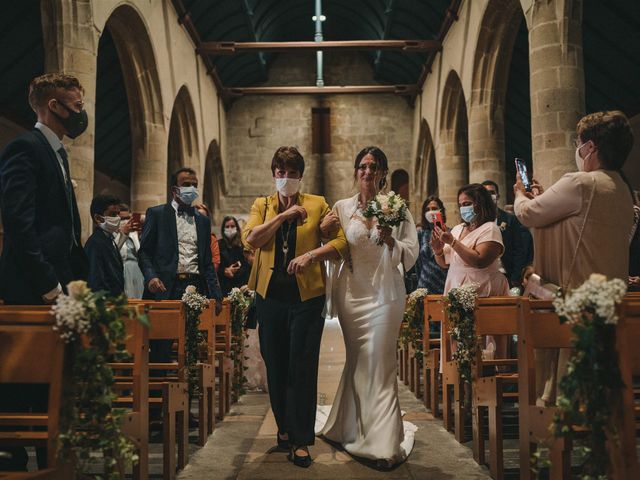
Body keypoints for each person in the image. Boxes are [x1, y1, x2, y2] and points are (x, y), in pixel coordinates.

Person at [0, 73, 90, 471]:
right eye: (76, 105)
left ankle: (53, 462)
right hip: (34, 287)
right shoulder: (25, 148)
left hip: (62, 282)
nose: (81, 112)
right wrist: (49, 287)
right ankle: (20, 462)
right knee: (27, 381)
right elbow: (19, 224)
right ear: (53, 106)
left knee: (55, 381)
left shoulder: (58, 152)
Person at [514, 110, 635, 404]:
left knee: (534, 289)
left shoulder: (581, 182)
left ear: (590, 146)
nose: (577, 149)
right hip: (610, 302)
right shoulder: (623, 189)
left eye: (578, 142)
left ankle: (548, 405)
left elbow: (528, 214)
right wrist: (546, 199)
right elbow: (581, 227)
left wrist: (520, 194)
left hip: (575, 304)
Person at [242, 146, 348, 468]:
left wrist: (312, 254)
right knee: (275, 365)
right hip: (269, 297)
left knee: (301, 366)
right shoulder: (263, 205)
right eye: (280, 172)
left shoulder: (317, 204)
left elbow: (341, 243)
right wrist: (284, 215)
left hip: (306, 298)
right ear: (273, 173)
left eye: (291, 173)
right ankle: (284, 428)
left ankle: (301, 440)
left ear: (300, 176)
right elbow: (252, 239)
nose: (285, 178)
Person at [317, 146, 419, 469]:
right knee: (360, 361)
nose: (367, 171)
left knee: (379, 360)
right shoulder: (342, 207)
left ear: (383, 173)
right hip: (352, 294)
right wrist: (322, 235)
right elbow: (334, 246)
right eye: (362, 166)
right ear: (355, 171)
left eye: (374, 166)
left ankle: (383, 442)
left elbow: (411, 251)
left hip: (386, 296)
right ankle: (350, 426)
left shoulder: (397, 208)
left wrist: (391, 241)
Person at [138, 167, 223, 364]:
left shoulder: (202, 221)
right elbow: (144, 252)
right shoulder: (157, 214)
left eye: (194, 185)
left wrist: (216, 295)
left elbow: (207, 262)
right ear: (174, 190)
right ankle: (159, 390)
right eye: (186, 184)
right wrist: (151, 276)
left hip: (194, 287)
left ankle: (190, 391)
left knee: (194, 346)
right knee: (161, 347)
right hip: (166, 287)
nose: (192, 188)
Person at [431, 183, 509, 297]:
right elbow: (444, 263)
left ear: (481, 204)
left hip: (482, 290)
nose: (463, 208)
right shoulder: (458, 229)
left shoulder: (490, 228)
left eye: (467, 204)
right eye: (461, 205)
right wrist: (437, 250)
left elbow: (480, 261)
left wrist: (453, 242)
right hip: (455, 288)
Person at [482, 180, 533, 289]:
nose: (489, 196)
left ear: (498, 196)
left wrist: (515, 278)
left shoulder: (510, 220)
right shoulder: (478, 222)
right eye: (485, 194)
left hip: (507, 274)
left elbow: (519, 249)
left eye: (491, 193)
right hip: (484, 277)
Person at [85, 195, 125, 296]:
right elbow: (95, 280)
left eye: (117, 214)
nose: (117, 218)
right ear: (98, 218)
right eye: (112, 214)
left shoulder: (109, 239)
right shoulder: (95, 243)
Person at [416, 196, 448, 294]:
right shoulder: (421, 234)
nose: (431, 212)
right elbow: (417, 262)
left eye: (434, 209)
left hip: (445, 282)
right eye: (427, 209)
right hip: (425, 284)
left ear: (441, 211)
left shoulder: (450, 233)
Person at [115, 204, 144, 298]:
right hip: (122, 269)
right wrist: (123, 233)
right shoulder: (113, 235)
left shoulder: (135, 233)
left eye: (127, 218)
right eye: (122, 219)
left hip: (137, 270)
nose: (125, 221)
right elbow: (113, 250)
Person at [217, 215, 250, 296]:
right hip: (224, 287)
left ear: (237, 228)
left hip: (241, 286)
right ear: (223, 229)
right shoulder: (218, 245)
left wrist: (236, 271)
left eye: (232, 226)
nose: (230, 229)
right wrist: (225, 271)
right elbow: (216, 266)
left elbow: (248, 265)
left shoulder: (242, 245)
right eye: (227, 226)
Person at [194, 203, 221, 272]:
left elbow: (215, 264)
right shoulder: (186, 237)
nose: (201, 220)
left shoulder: (212, 239)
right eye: (198, 217)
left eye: (204, 217)